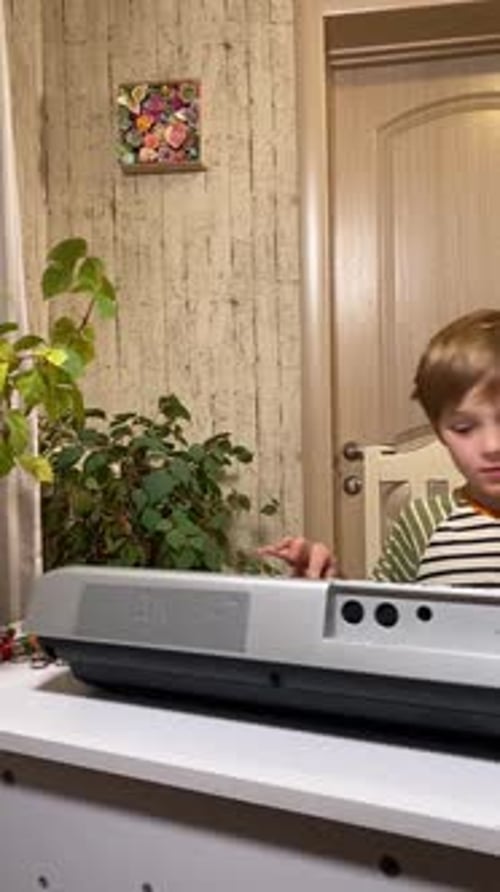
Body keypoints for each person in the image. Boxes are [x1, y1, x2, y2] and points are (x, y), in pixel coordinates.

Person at [259, 308, 500, 586]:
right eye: (463, 429)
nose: (492, 446)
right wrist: (329, 583)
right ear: (440, 433)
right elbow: (380, 617)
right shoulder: (422, 522)